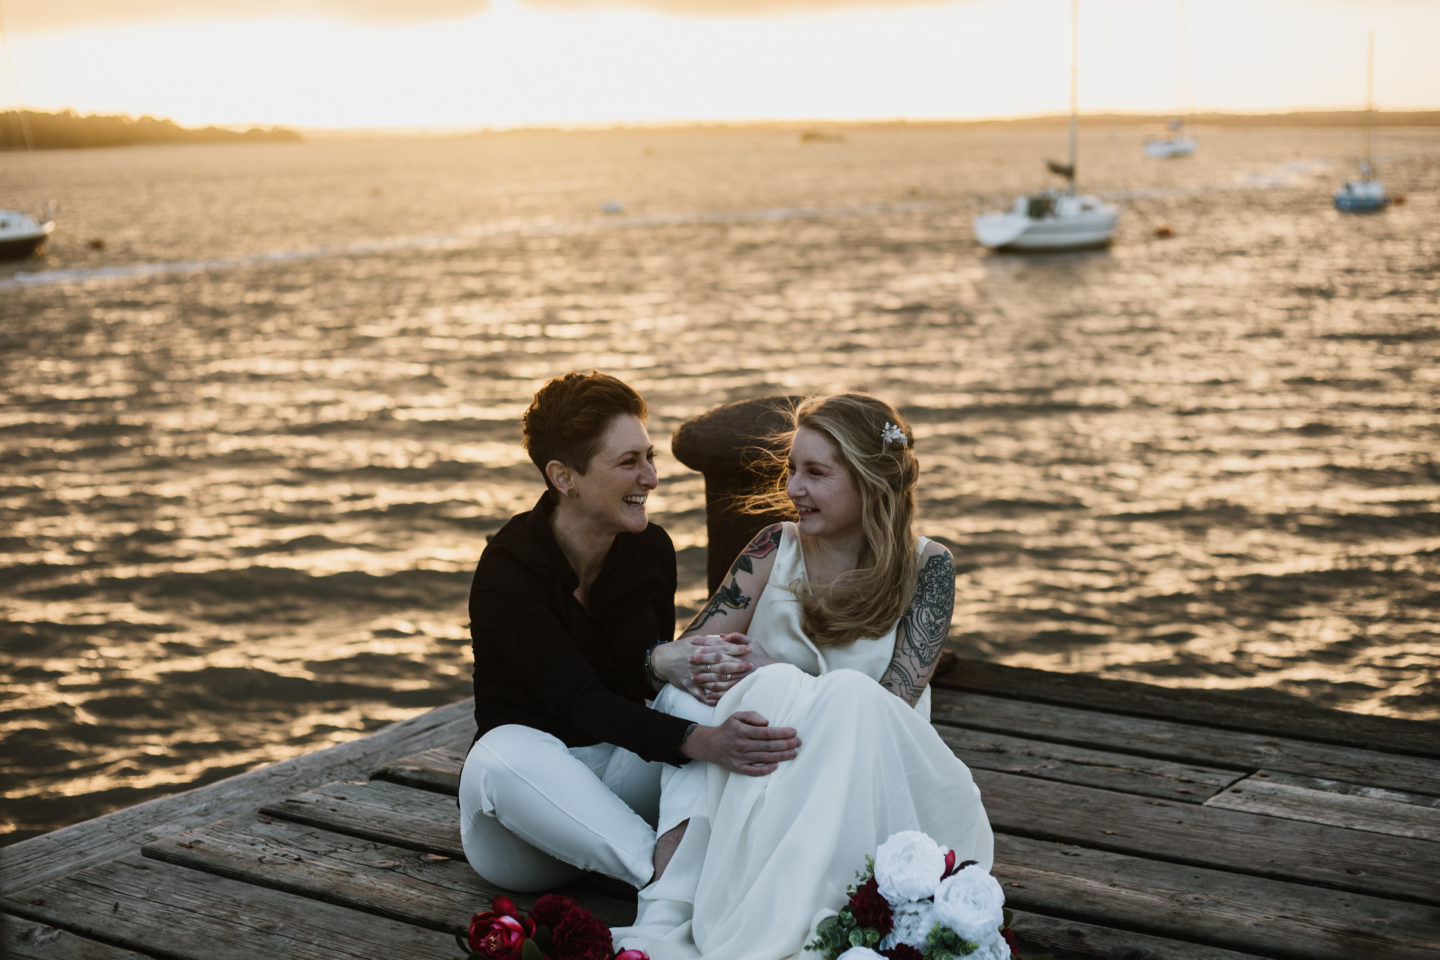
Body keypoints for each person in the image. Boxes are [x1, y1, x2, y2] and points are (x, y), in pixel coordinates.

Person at [612, 393, 995, 960]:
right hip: (763, 759)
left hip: (877, 772)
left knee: (838, 695)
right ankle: (677, 899)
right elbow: (690, 656)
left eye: (815, 473)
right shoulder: (772, 547)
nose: (792, 488)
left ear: (869, 481)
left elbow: (888, 707)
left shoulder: (928, 568)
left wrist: (777, 671)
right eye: (791, 469)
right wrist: (664, 659)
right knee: (731, 698)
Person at [458, 371, 803, 893]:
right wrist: (701, 741)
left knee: (693, 699)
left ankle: (676, 871)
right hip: (523, 830)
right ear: (563, 477)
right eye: (627, 463)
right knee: (498, 754)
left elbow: (635, 689)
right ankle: (672, 878)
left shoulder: (650, 551)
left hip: (620, 791)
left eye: (649, 457)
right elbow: (575, 697)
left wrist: (660, 668)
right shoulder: (509, 569)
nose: (651, 479)